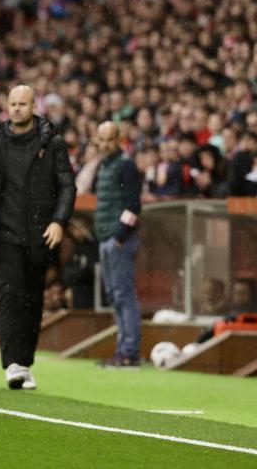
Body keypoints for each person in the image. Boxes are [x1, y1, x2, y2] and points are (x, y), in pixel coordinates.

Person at [0, 85, 76, 390]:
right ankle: (13, 363)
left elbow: (67, 185)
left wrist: (59, 222)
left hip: (40, 235)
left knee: (33, 299)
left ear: (33, 106)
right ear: (7, 106)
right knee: (11, 296)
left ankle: (24, 363)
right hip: (4, 234)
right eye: (12, 103)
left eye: (22, 104)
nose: (16, 109)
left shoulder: (51, 143)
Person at [92, 121, 143, 369]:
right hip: (107, 239)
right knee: (115, 295)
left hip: (118, 241)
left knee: (124, 295)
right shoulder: (104, 166)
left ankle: (129, 351)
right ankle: (124, 349)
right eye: (101, 140)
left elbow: (133, 206)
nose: (104, 144)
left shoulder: (125, 166)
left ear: (119, 140)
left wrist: (119, 237)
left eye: (109, 139)